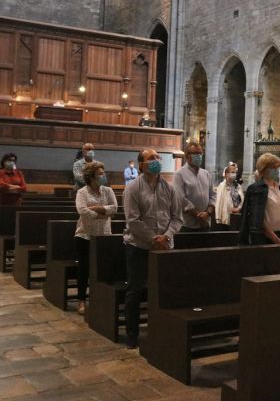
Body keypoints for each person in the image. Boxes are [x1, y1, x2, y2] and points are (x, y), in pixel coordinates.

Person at [122, 148, 183, 349]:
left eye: (157, 157)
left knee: (164, 289)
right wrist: (152, 238)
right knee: (135, 290)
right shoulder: (132, 188)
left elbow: (177, 217)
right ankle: (132, 335)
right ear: (141, 165)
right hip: (138, 246)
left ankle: (163, 331)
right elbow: (133, 220)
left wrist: (166, 236)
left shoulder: (169, 188)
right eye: (151, 158)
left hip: (164, 246)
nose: (156, 160)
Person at [74, 162, 117, 315]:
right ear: (91, 177)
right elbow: (82, 210)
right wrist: (103, 213)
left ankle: (102, 299)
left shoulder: (108, 191)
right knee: (84, 269)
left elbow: (114, 209)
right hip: (85, 235)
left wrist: (97, 209)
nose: (103, 176)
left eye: (103, 173)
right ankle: (81, 300)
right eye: (100, 174)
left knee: (104, 269)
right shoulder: (82, 192)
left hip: (104, 235)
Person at [239, 153, 280, 245]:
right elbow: (258, 218)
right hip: (264, 238)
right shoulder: (256, 189)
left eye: (278, 167)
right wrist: (276, 240)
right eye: (273, 168)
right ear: (264, 169)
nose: (277, 170)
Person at [174, 142, 216, 232]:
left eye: (200, 153)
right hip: (188, 225)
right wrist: (198, 215)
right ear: (187, 155)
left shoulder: (206, 174)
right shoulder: (179, 174)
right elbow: (181, 199)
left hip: (205, 223)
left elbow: (213, 195)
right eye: (196, 154)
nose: (199, 156)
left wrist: (207, 213)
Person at [215, 162, 244, 229]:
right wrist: (218, 218)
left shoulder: (238, 186)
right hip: (225, 219)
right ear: (226, 174)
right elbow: (219, 203)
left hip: (237, 216)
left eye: (235, 172)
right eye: (232, 172)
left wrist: (239, 208)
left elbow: (242, 200)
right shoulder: (222, 186)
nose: (234, 174)